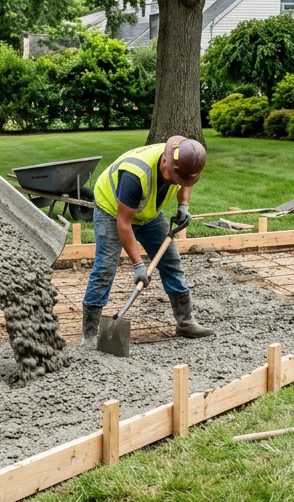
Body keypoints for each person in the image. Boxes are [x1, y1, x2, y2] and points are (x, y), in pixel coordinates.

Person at [81, 135, 211, 345]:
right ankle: (89, 335)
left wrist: (183, 206)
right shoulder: (135, 175)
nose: (175, 183)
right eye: (174, 178)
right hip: (112, 210)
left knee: (171, 263)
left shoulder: (187, 158)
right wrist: (139, 265)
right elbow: (124, 224)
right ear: (165, 161)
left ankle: (185, 322)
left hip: (147, 212)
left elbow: (188, 181)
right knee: (105, 267)